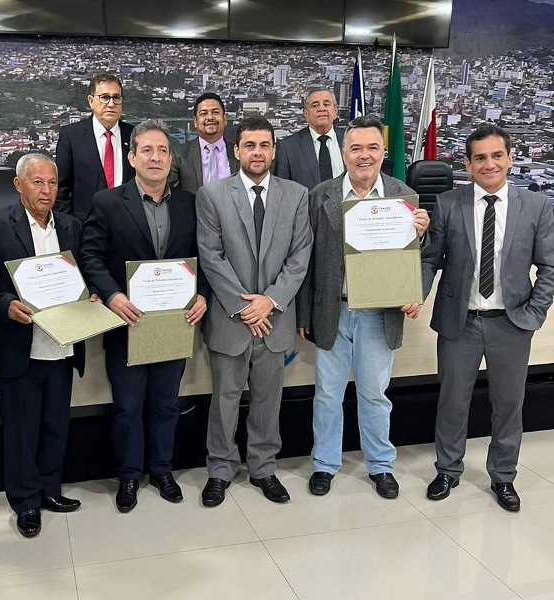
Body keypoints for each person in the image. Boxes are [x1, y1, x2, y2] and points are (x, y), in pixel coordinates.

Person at [296, 115, 429, 500]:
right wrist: (304, 315)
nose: (364, 155)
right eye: (356, 148)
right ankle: (324, 464)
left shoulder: (403, 196)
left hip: (379, 313)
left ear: (383, 152)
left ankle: (380, 465)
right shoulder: (320, 195)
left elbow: (419, 257)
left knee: (374, 393)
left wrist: (421, 234)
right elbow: (307, 260)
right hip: (331, 311)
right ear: (344, 153)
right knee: (327, 394)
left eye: (372, 147)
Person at [422, 124, 554, 512]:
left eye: (497, 155)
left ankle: (503, 477)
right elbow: (432, 258)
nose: (489, 164)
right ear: (468, 163)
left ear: (510, 159)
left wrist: (534, 311)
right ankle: (447, 469)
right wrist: (416, 293)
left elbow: (549, 266)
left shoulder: (536, 206)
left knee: (509, 404)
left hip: (511, 324)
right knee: (452, 401)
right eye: (480, 157)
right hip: (459, 323)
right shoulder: (448, 203)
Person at [79, 119, 207, 513]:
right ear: (132, 157)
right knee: (127, 406)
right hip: (128, 322)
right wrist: (113, 294)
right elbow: (91, 256)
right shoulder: (107, 202)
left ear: (172, 160)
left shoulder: (190, 203)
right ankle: (130, 475)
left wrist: (203, 294)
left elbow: (206, 258)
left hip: (174, 323)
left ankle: (163, 470)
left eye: (163, 151)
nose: (156, 158)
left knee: (167, 404)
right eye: (147, 151)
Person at [0, 153, 89, 537]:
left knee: (56, 423)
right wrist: (5, 305)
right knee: (22, 429)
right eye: (37, 182)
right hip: (17, 344)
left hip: (62, 343)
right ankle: (25, 501)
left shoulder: (71, 226)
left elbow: (84, 275)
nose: (46, 190)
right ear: (18, 185)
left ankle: (50, 489)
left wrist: (92, 298)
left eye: (52, 183)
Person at [196, 115, 313, 507]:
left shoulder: (297, 195)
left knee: (268, 399)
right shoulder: (212, 195)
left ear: (274, 150)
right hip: (231, 319)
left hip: (275, 318)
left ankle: (263, 468)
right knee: (224, 398)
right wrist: (245, 306)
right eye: (250, 145)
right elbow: (211, 257)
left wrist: (270, 301)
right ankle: (220, 469)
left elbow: (300, 257)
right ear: (237, 150)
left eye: (264, 145)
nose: (257, 152)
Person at [54, 73, 134, 220]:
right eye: (104, 97)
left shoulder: (134, 135)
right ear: (91, 101)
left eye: (116, 97)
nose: (111, 104)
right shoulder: (71, 136)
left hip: (128, 228)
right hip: (85, 229)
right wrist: (71, 227)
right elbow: (60, 190)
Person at [274, 88, 345, 190]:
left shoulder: (350, 140)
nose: (321, 109)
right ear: (305, 113)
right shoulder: (288, 147)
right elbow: (282, 191)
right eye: (315, 105)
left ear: (335, 111)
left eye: (326, 104)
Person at [169, 91, 238, 194]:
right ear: (195, 122)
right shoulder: (180, 154)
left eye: (215, 112)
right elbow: (172, 194)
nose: (210, 117)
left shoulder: (239, 153)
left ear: (225, 119)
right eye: (203, 113)